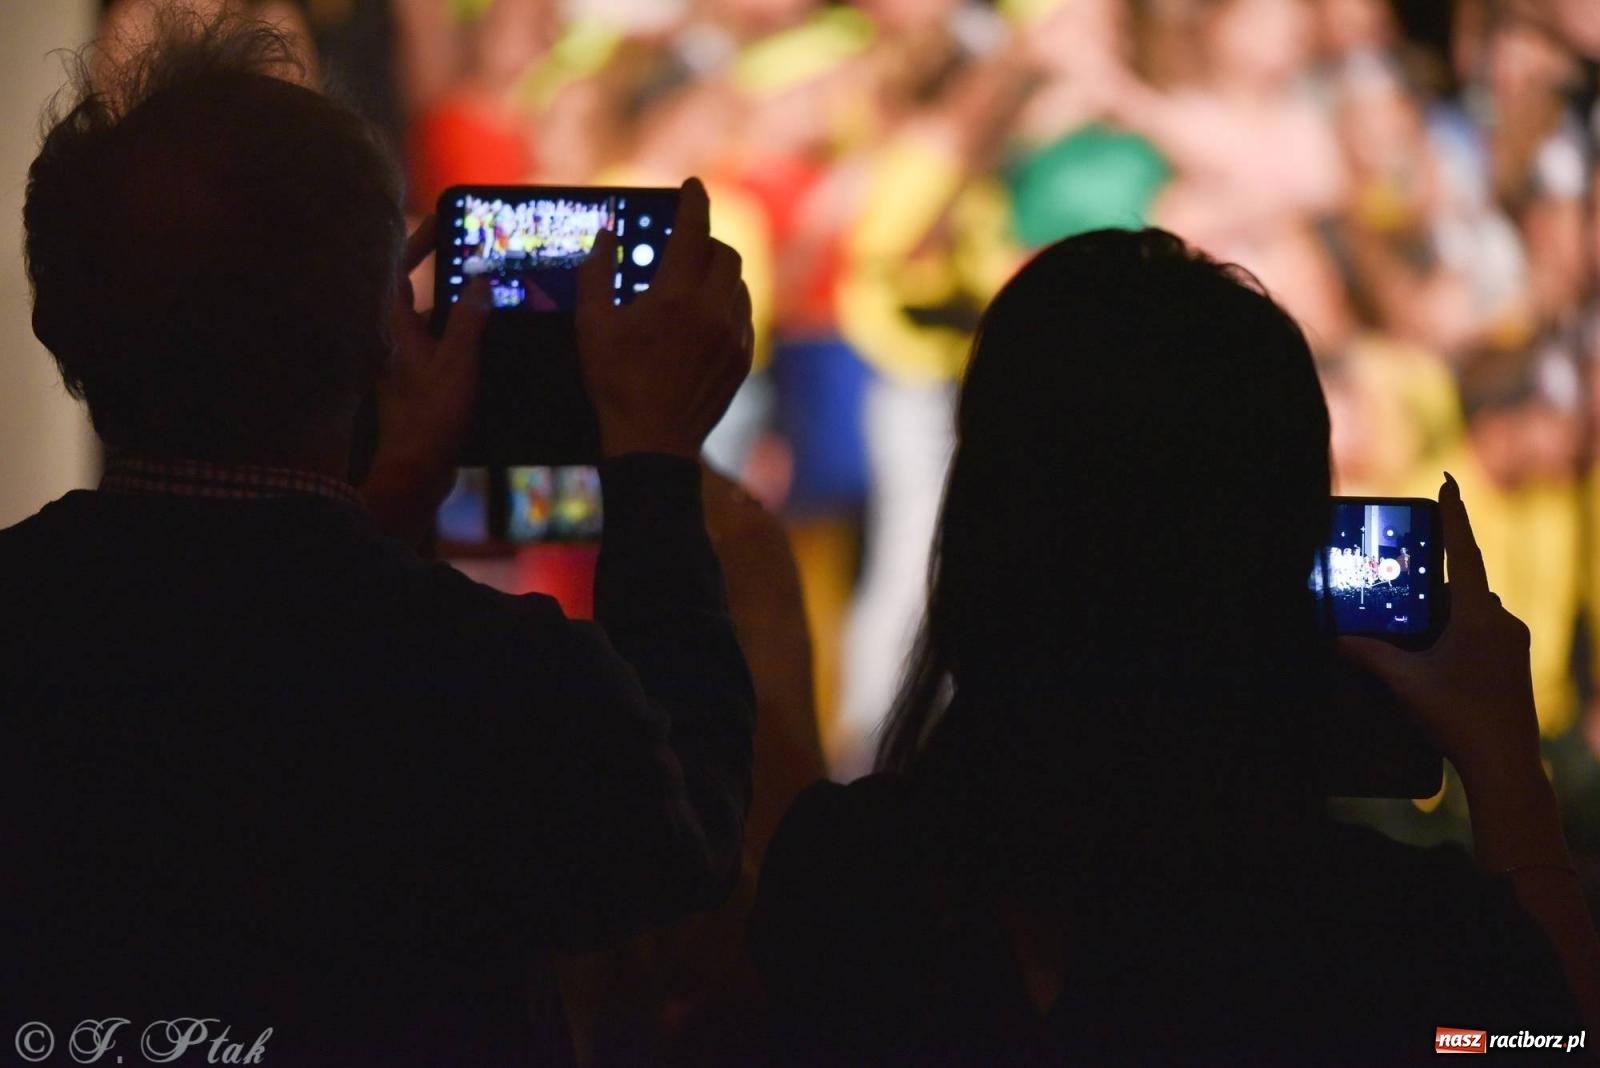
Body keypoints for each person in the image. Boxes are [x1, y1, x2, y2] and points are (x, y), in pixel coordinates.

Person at [1, 13, 758, 1067]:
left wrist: (395, 500)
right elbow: (683, 837)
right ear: (377, 331)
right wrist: (653, 468)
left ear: (57, 322)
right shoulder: (493, 682)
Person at [751, 228, 1600, 1064]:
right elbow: (1555, 1038)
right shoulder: (1388, 949)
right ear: (1285, 553)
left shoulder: (837, 887)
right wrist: (1507, 769)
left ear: (979, 527)